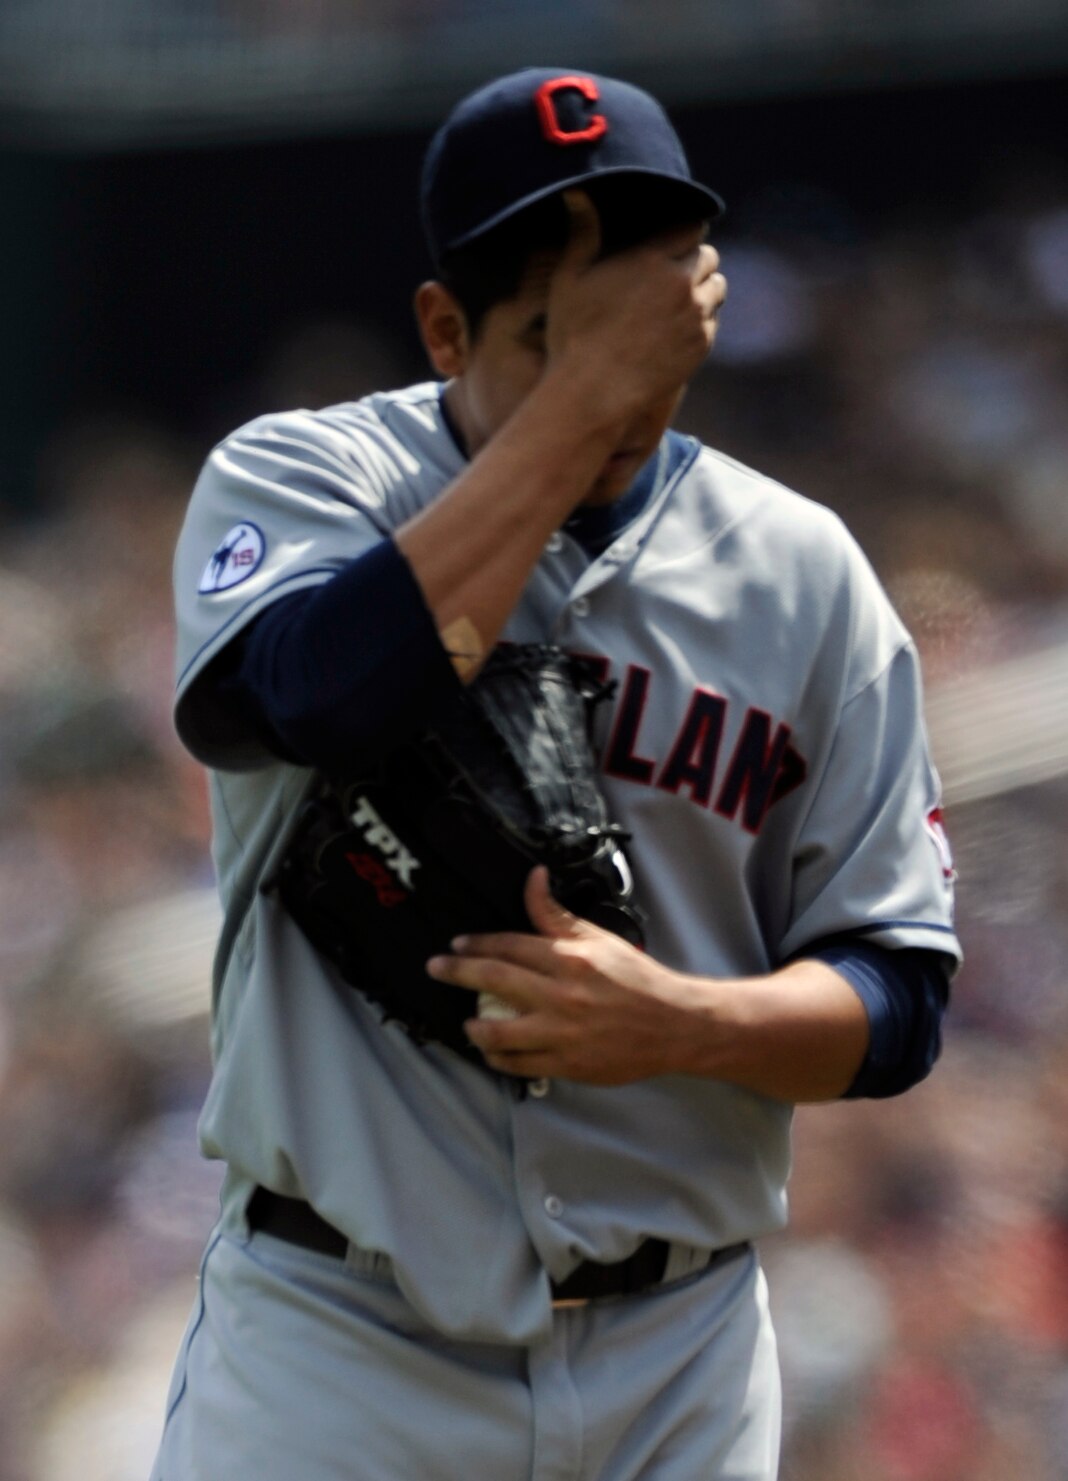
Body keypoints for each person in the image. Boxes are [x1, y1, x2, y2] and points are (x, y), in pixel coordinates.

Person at [152, 68, 960, 1481]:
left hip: (677, 1361)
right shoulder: (307, 479)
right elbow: (302, 696)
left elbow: (900, 995)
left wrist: (688, 1022)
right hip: (341, 1345)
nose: (623, 388)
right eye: (552, 339)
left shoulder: (800, 571)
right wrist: (577, 408)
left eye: (640, 337)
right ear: (443, 328)